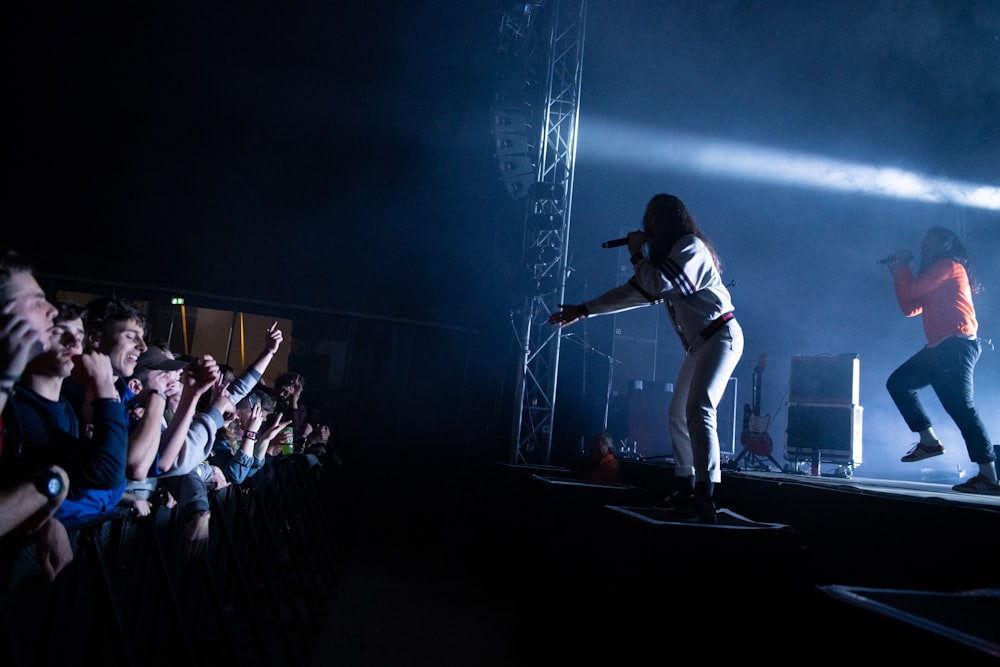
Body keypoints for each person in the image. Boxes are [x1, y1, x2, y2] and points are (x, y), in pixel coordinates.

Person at [548, 193, 744, 522]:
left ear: (668, 220)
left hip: (721, 336)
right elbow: (634, 293)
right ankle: (685, 485)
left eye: (652, 219)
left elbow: (655, 284)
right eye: (646, 220)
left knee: (698, 409)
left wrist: (636, 253)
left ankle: (706, 495)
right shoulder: (665, 261)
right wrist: (584, 310)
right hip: (701, 344)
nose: (647, 225)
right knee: (677, 414)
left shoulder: (691, 247)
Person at [884, 226, 998, 495]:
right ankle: (930, 442)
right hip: (939, 349)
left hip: (955, 346)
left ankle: (990, 478)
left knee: (962, 410)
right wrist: (898, 273)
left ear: (943, 243)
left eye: (929, 239)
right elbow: (909, 308)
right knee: (898, 384)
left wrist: (902, 268)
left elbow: (911, 290)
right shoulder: (936, 274)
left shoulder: (949, 265)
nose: (923, 242)